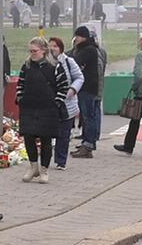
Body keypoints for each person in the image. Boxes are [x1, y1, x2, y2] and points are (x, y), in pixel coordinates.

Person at [16, 37, 69, 183]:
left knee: (46, 139)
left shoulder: (55, 66)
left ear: (44, 51)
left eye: (35, 51)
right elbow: (20, 85)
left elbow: (63, 87)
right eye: (30, 51)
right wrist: (20, 98)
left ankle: (44, 170)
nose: (32, 54)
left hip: (48, 108)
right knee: (28, 137)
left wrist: (56, 103)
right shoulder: (26, 66)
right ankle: (33, 167)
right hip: (29, 107)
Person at [45, 36, 83, 169]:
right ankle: (46, 159)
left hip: (67, 103)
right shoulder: (45, 62)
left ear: (60, 48)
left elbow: (79, 77)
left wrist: (72, 89)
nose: (52, 49)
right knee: (48, 132)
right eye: (50, 46)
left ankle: (61, 161)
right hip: (50, 103)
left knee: (64, 133)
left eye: (55, 46)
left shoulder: (68, 61)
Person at [70, 24, 106, 156]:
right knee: (86, 117)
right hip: (86, 87)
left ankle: (88, 145)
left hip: (87, 87)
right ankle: (86, 142)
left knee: (88, 116)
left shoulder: (88, 50)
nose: (76, 39)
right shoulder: (86, 48)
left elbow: (75, 62)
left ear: (84, 37)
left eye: (78, 36)